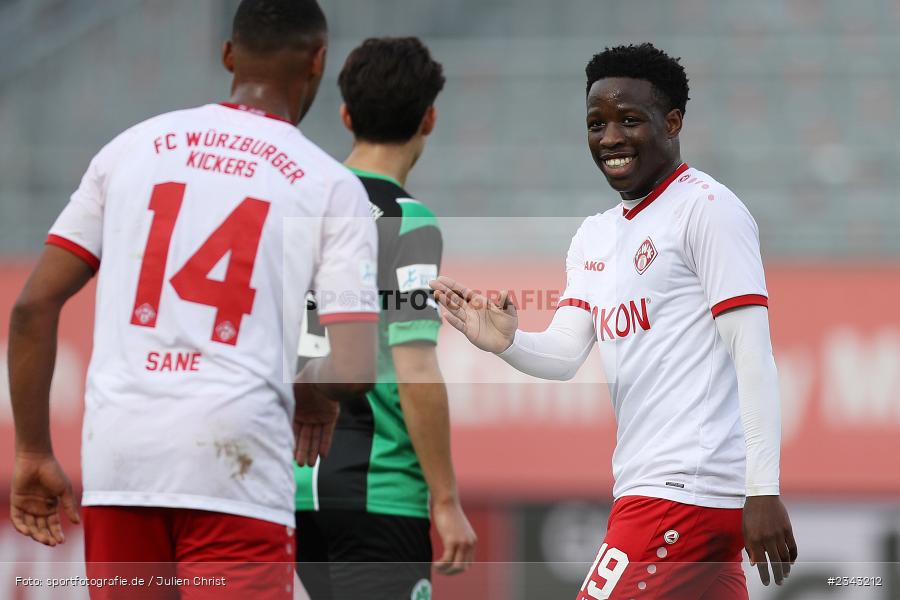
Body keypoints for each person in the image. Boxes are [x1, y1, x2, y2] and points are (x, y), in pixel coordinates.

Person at [7, 1, 379, 598]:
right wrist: (310, 388)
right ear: (318, 61)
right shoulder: (329, 184)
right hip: (234, 462)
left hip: (121, 457)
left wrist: (31, 450)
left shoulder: (130, 149)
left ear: (229, 55)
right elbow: (358, 366)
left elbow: (32, 306)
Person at [431, 43, 797, 599]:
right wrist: (505, 341)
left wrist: (764, 489)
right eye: (596, 123)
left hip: (682, 491)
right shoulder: (595, 235)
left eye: (630, 120)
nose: (610, 139)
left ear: (672, 123)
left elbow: (754, 355)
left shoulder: (709, 209)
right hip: (653, 490)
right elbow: (562, 355)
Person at [293, 37, 476, 600]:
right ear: (430, 118)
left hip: (285, 491)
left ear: (345, 115)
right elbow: (414, 365)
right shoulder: (407, 220)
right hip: (378, 495)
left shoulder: (297, 203)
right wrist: (445, 500)